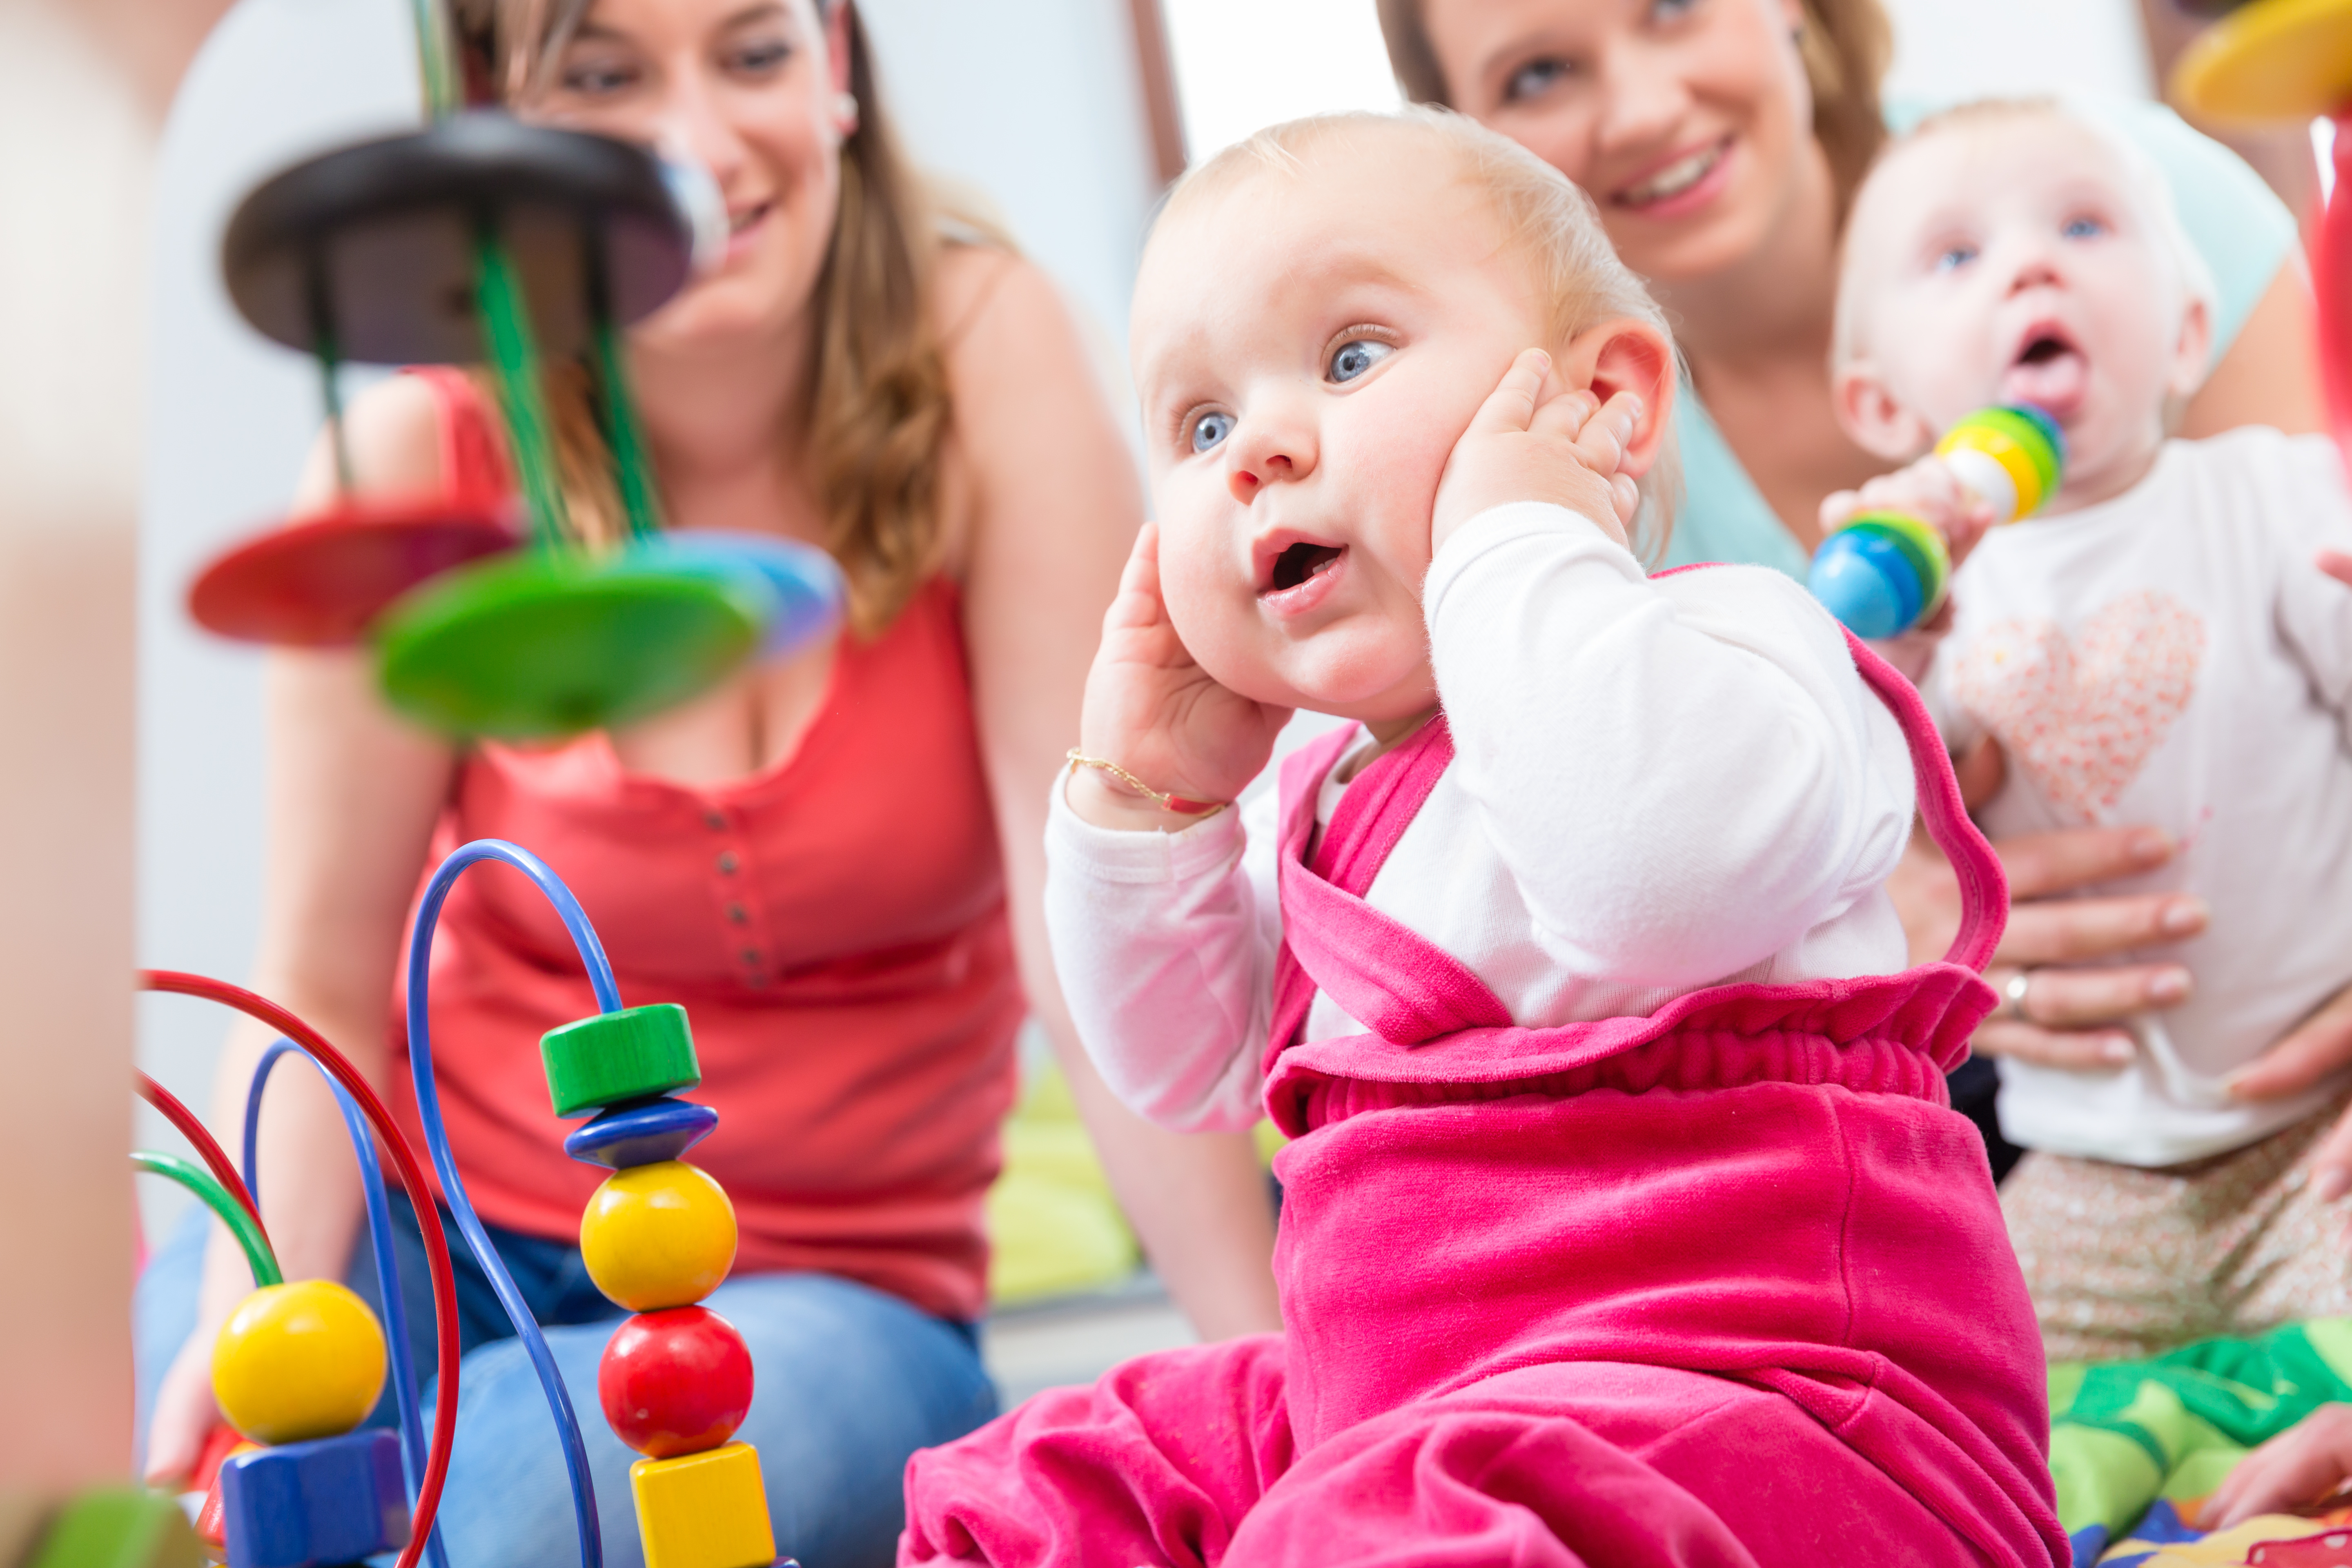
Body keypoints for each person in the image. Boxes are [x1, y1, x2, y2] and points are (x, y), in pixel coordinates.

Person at [133, 0, 1280, 1562]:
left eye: (750, 54)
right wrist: (253, 1305)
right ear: (492, 121)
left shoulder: (984, 359)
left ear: (839, 76)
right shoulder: (411, 460)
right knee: (216, 1498)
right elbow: (322, 984)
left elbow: (1090, 932)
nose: (691, 139)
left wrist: (1283, 1379)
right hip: (425, 1231)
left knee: (502, 1531)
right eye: (604, 77)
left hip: (824, 1289)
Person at [900, 109, 2065, 1566]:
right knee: (1064, 1477)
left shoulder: (1737, 647)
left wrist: (1522, 537)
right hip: (1392, 1407)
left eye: (1350, 357)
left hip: (1787, 1412)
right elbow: (1176, 1067)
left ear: (1606, 405)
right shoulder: (1317, 800)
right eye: (1201, 427)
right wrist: (1153, 801)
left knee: (1402, 1515)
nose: (1258, 445)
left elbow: (1644, 883)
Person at [1376, 0, 2343, 1183]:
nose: (1640, 108)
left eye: (1672, 8)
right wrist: (1898, 943)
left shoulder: (2130, 205)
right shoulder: (1524, 445)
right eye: (1535, 75)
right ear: (1468, 131)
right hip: (1884, 1067)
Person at [1825, 99, 2352, 1359]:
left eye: (2084, 223)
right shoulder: (1921, 596)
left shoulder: (2269, 499)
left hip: (2317, 1136)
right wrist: (1880, 645)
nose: (2030, 263)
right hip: (2086, 1163)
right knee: (1960, 1391)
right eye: (1957, 257)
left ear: (2185, 335)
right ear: (1882, 406)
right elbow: (1857, 826)